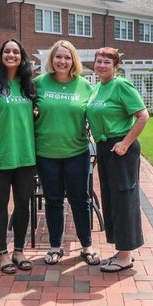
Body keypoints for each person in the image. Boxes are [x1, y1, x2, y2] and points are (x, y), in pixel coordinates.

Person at [34, 40, 100, 265]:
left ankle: (87, 246)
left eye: (67, 57)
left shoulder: (85, 86)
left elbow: (98, 114)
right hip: (46, 153)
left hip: (77, 153)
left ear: (74, 60)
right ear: (51, 59)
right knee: (53, 200)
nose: (62, 61)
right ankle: (55, 247)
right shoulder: (38, 84)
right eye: (58, 56)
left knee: (80, 200)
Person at [86, 47, 149, 273]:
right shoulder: (97, 88)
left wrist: (125, 143)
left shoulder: (121, 85)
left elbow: (143, 116)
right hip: (105, 148)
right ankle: (122, 250)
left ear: (116, 66)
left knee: (124, 198)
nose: (102, 65)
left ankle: (125, 256)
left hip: (120, 148)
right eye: (99, 61)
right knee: (111, 198)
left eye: (107, 62)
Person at [0, 38, 36, 274]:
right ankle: (2, 253)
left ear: (22, 57)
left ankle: (19, 250)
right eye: (7, 51)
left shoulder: (28, 85)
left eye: (16, 52)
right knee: (0, 203)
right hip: (0, 157)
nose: (11, 55)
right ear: (1, 55)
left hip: (27, 157)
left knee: (23, 203)